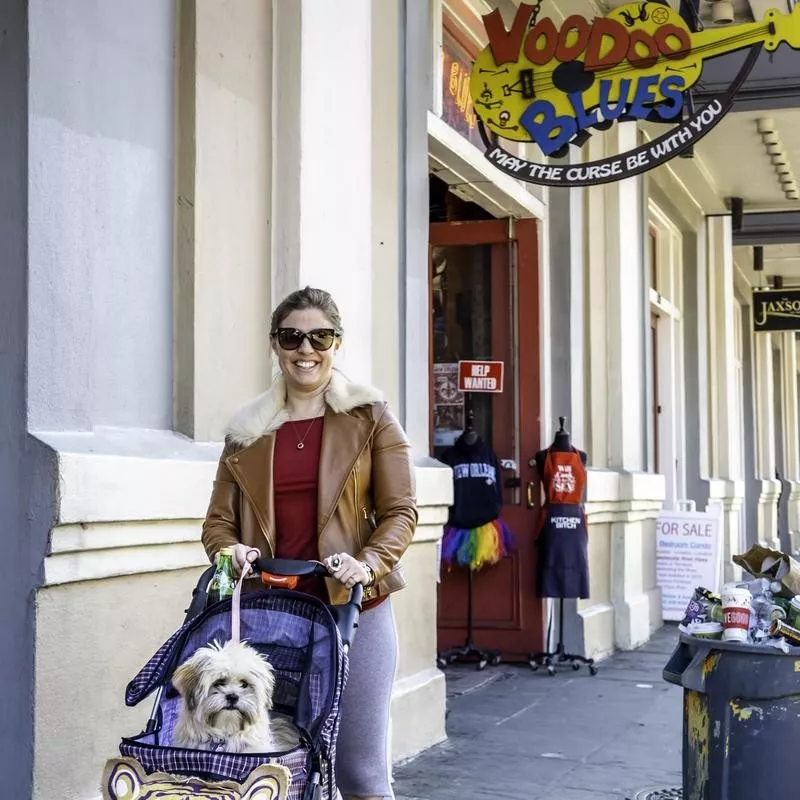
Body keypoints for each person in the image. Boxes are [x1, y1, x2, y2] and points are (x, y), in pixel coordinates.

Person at [201, 286, 417, 800]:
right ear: (275, 344)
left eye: (320, 337)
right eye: (291, 337)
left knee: (359, 774)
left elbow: (401, 512)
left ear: (337, 343)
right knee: (272, 767)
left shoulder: (371, 418)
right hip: (268, 616)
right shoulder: (246, 432)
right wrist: (230, 551)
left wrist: (368, 563)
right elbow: (217, 523)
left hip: (352, 610)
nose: (306, 349)